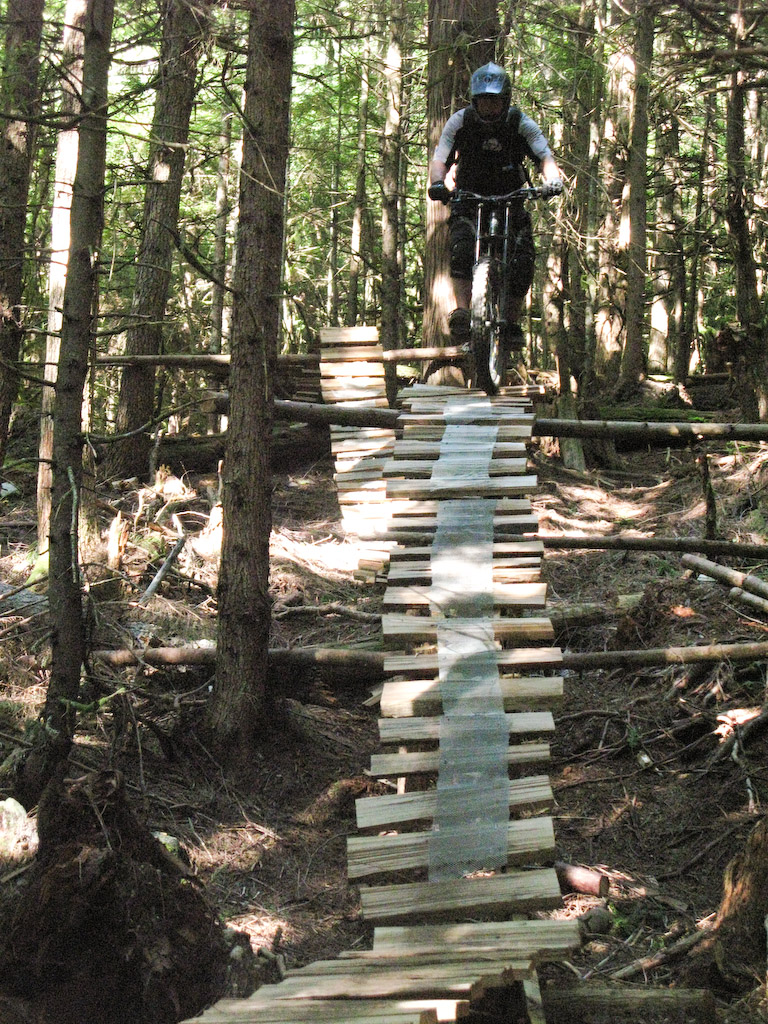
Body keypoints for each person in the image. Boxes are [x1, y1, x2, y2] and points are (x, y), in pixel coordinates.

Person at [428, 62, 563, 350]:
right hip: (469, 196)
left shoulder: (520, 123)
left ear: (506, 99)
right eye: (483, 100)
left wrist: (552, 180)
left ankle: (511, 323)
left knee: (522, 259)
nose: (488, 106)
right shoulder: (460, 122)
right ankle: (462, 311)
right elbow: (440, 158)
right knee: (461, 248)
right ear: (474, 100)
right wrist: (438, 183)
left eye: (494, 100)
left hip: (511, 197)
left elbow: (544, 156)